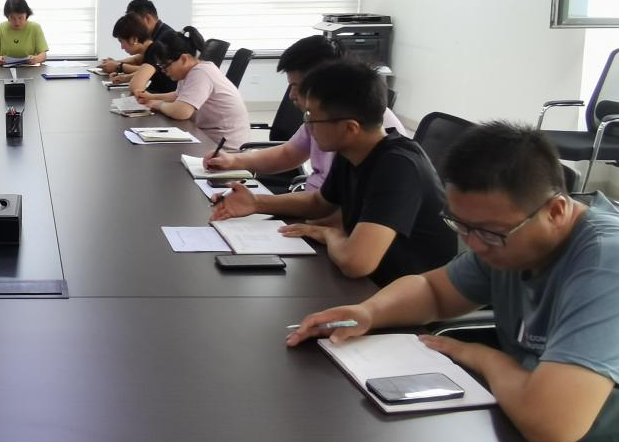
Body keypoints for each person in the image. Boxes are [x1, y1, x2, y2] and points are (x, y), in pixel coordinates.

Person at [287, 122, 619, 442]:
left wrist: (482, 357)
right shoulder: (508, 240)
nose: (474, 245)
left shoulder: (606, 263)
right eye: (461, 226)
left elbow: (550, 422)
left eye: (489, 232)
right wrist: (369, 312)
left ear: (556, 211)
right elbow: (433, 291)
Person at [212, 60, 456, 285]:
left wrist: (330, 235)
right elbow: (321, 203)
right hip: (369, 283)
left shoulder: (398, 166)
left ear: (350, 128)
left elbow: (356, 263)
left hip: (403, 294)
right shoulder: (353, 150)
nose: (307, 126)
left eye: (312, 118)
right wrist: (256, 203)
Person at [205, 35, 406, 188]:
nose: (292, 95)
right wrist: (233, 160)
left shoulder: (367, 134)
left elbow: (341, 212)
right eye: (290, 86)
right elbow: (289, 154)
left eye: (298, 86)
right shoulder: (322, 117)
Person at [136, 26, 250, 149]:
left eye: (165, 65)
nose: (163, 71)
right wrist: (150, 97)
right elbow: (178, 96)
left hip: (225, 148)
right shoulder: (190, 72)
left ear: (184, 59)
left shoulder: (201, 73)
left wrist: (156, 104)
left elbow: (182, 111)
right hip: (209, 138)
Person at [105, 13, 176, 96]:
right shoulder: (151, 48)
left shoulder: (154, 50)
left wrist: (123, 73)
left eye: (121, 42)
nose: (122, 47)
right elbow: (146, 71)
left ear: (134, 39)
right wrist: (125, 78)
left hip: (165, 99)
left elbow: (135, 87)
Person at [100, 0, 176, 75]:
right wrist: (116, 63)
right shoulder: (154, 36)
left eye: (135, 21)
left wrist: (118, 67)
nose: (131, 26)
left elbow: (152, 70)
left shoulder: (166, 39)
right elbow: (139, 59)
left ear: (147, 19)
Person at [0, 0, 48, 66]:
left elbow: (43, 55)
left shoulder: (35, 28)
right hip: (4, 69)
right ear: (7, 16)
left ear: (27, 15)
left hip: (30, 69)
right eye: (12, 18)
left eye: (20, 18)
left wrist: (35, 59)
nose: (17, 22)